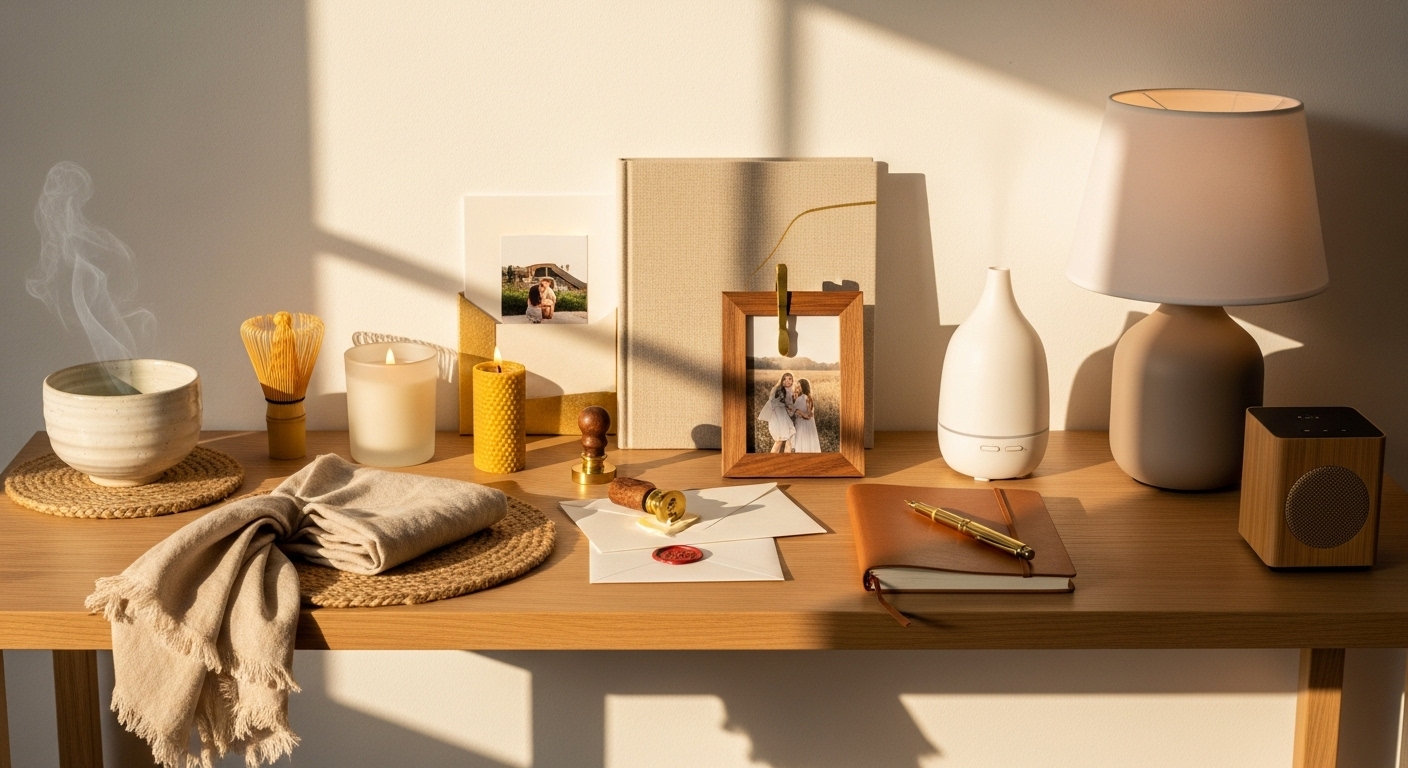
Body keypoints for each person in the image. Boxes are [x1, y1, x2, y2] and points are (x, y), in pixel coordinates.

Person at [757, 372, 796, 453]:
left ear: (793, 380)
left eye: (790, 379)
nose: (787, 381)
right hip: (778, 417)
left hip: (785, 417)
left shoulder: (792, 391)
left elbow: (791, 406)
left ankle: (785, 460)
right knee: (779, 440)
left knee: (788, 438)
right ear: (781, 380)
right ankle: (772, 460)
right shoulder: (779, 389)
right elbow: (775, 403)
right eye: (784, 379)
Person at [790, 378, 820, 452]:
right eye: (798, 386)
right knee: (808, 444)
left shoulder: (802, 398)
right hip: (808, 425)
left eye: (800, 386)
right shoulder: (808, 397)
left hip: (802, 425)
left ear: (804, 387)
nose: (798, 388)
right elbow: (810, 413)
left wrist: (798, 411)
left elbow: (792, 410)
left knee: (801, 444)